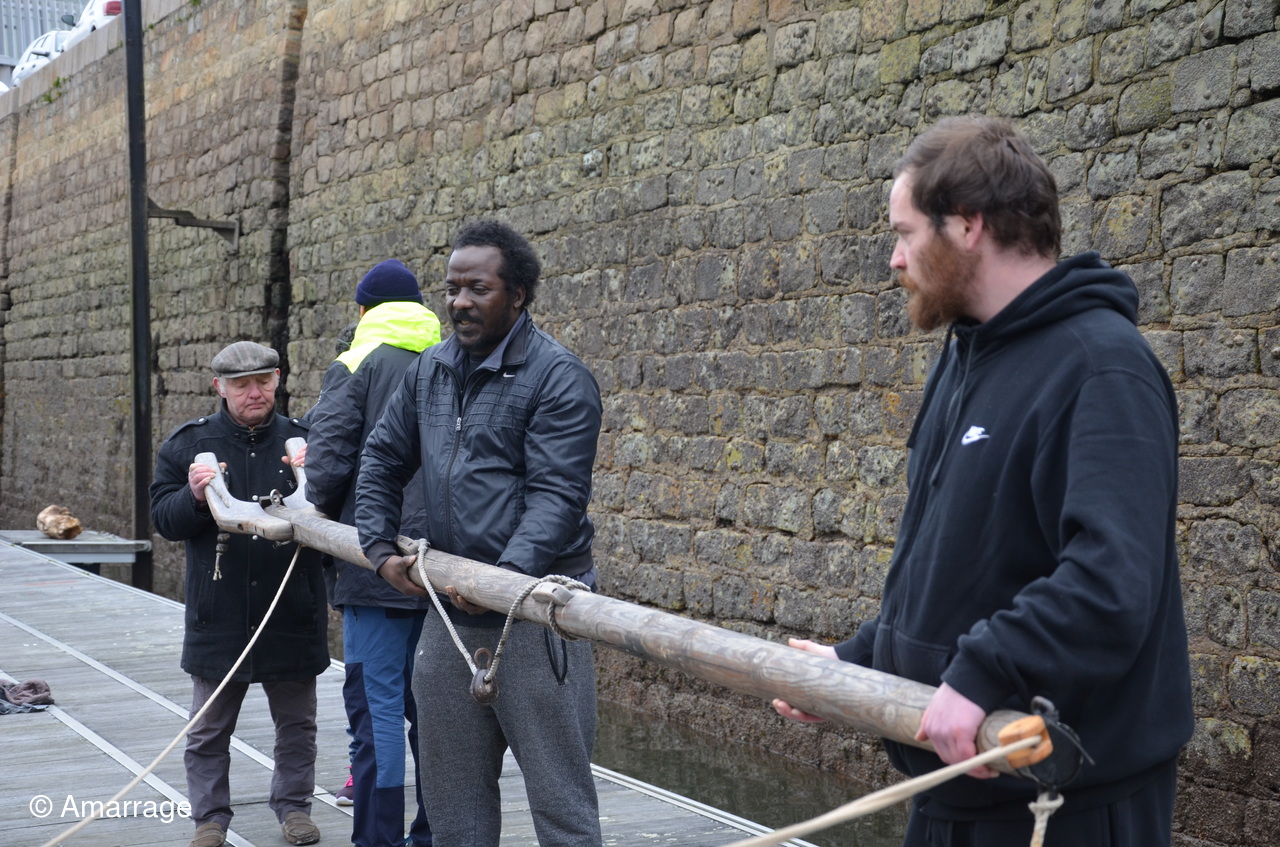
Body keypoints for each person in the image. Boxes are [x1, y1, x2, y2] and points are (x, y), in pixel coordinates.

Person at [773, 117, 1193, 846]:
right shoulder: (964, 357)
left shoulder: (1103, 369)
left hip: (1062, 805)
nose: (894, 258)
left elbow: (1110, 584)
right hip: (954, 788)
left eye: (905, 234)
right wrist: (862, 662)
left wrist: (983, 672)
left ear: (968, 225)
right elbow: (963, 562)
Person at [354, 220, 604, 847]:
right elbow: (381, 458)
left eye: (478, 289)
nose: (459, 302)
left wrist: (502, 581)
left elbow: (557, 496)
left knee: (562, 807)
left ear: (517, 295)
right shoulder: (430, 371)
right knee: (452, 808)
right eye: (452, 288)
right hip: (450, 611)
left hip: (538, 613)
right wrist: (379, 547)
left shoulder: (559, 377)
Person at [150, 341, 328, 847]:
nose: (255, 393)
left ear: (278, 379)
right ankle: (209, 820)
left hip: (291, 608)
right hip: (219, 613)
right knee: (208, 729)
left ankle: (294, 809)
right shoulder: (188, 445)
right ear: (220, 388)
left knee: (297, 726)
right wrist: (192, 496)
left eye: (263, 382)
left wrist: (322, 477)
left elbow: (341, 515)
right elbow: (164, 521)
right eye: (242, 385)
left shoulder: (305, 440)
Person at [303, 259, 441, 847]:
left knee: (377, 708)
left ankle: (377, 840)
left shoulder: (357, 360)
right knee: (434, 712)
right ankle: (432, 835)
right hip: (447, 567)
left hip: (375, 561)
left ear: (363, 311)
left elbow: (327, 465)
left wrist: (312, 494)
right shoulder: (450, 359)